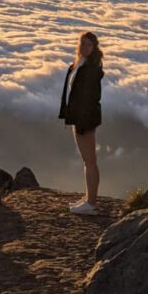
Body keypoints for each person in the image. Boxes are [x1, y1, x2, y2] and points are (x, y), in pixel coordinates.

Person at [59, 31, 104, 216]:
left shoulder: (91, 69)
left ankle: (91, 204)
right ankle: (88, 199)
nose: (84, 47)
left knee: (90, 161)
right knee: (87, 161)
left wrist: (83, 121)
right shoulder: (79, 64)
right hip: (78, 118)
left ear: (94, 48)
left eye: (88, 45)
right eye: (82, 43)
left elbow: (92, 97)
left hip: (85, 119)